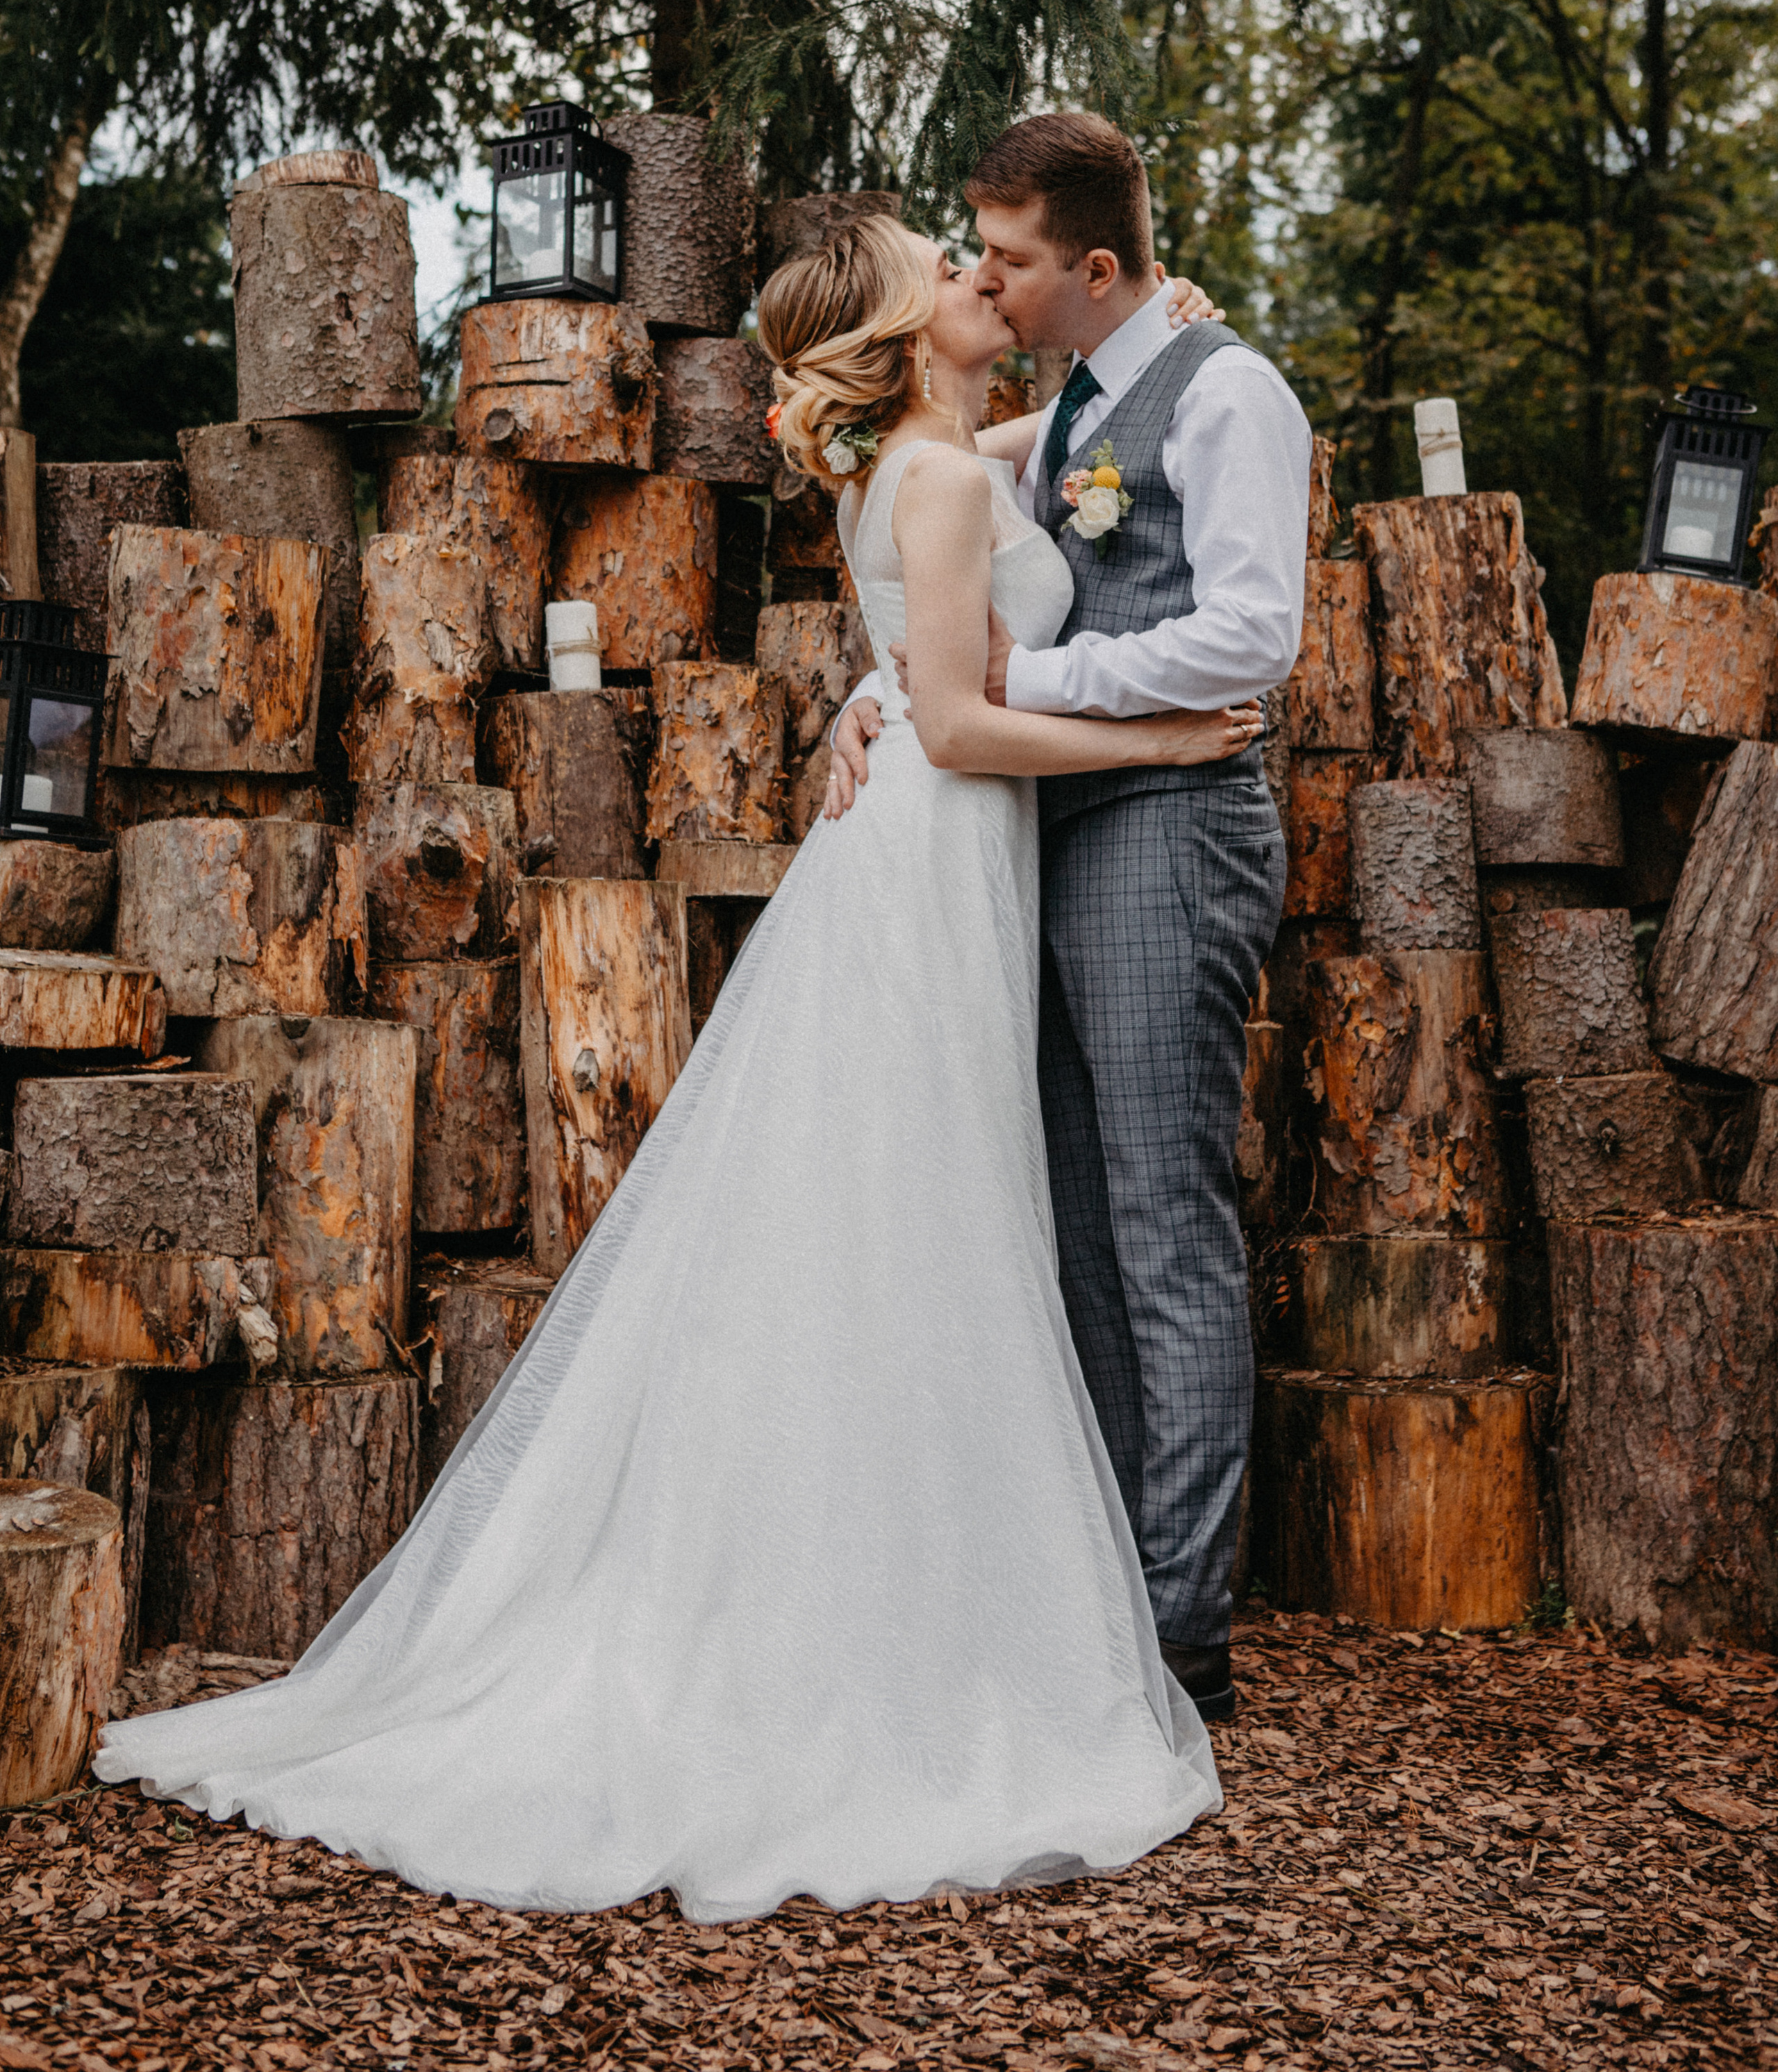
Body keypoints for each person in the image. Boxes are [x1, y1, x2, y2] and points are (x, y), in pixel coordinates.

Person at [94, 213, 1262, 1922]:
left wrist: (1152, 344)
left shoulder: (928, 459)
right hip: (938, 852)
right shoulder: (928, 485)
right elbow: (950, 721)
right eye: (945, 263)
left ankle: (892, 1586)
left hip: (937, 866)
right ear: (888, 323)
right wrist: (1158, 729)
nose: (975, 276)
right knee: (921, 1213)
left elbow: (1041, 458)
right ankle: (875, 1631)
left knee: (904, 1216)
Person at [829, 115, 1310, 1723]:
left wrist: (1014, 685)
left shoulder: (1230, 393)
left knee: (1163, 1224)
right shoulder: (1075, 406)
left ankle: (1180, 1625)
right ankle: (1097, 1572)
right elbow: (925, 531)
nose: (990, 279)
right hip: (1038, 829)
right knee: (1078, 1225)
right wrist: (874, 697)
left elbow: (1250, 633)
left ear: (1094, 268)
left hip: (1166, 833)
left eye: (1013, 259)